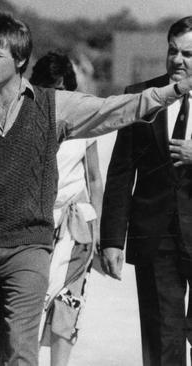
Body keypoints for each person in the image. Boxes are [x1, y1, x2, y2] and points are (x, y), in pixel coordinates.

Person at [0, 12, 191, 366]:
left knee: (22, 348)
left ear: (20, 60)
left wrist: (173, 90)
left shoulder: (52, 105)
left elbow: (114, 109)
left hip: (29, 248)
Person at [100, 16, 192, 366]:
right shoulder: (140, 97)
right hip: (157, 239)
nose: (178, 60)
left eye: (188, 53)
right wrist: (111, 239)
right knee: (162, 339)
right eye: (172, 51)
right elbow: (121, 172)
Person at [30, 51, 104, 366]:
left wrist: (99, 230)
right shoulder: (25, 119)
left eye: (61, 87)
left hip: (74, 227)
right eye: (48, 87)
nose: (55, 95)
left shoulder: (82, 123)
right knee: (28, 307)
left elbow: (95, 179)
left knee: (67, 306)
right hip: (34, 226)